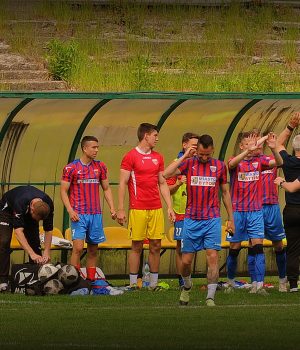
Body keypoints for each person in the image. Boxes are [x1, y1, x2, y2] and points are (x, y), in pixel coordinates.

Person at [163, 134, 235, 306]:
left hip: (212, 219)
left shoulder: (219, 166)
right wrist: (185, 156)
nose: (204, 157)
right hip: (192, 219)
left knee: (212, 257)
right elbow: (165, 174)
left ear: (213, 150)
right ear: (197, 150)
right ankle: (187, 285)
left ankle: (210, 297)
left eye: (207, 155)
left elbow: (225, 193)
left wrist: (231, 218)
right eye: (201, 154)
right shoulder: (189, 162)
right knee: (186, 261)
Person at [117, 123, 175, 291]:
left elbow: (162, 182)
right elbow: (122, 183)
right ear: (146, 136)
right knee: (136, 245)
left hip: (155, 207)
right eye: (155, 135)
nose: (157, 138)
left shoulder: (158, 157)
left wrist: (169, 206)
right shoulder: (130, 156)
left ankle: (153, 284)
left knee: (156, 245)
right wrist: (121, 208)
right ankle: (134, 283)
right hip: (138, 208)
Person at [226, 132, 283, 295]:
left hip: (255, 212)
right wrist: (246, 152)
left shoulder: (260, 161)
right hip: (238, 212)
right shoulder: (234, 160)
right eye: (250, 143)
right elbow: (230, 165)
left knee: (258, 246)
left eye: (256, 143)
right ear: (242, 146)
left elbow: (278, 162)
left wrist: (273, 149)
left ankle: (258, 285)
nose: (254, 146)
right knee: (234, 248)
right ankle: (230, 282)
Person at [61, 135, 116, 282]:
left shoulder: (100, 166)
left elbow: (106, 188)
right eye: (94, 147)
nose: (96, 150)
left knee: (93, 249)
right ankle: (73, 280)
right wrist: (70, 210)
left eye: (97, 147)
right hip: (79, 214)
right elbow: (63, 191)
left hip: (95, 214)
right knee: (78, 248)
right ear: (85, 148)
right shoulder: (71, 168)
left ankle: (91, 281)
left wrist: (112, 207)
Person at [249, 131, 287, 292]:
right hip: (255, 207)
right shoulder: (247, 161)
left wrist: (274, 144)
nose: (257, 143)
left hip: (271, 207)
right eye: (254, 140)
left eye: (259, 140)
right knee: (254, 245)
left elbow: (279, 154)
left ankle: (282, 280)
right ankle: (256, 283)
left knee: (278, 245)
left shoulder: (270, 160)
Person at [0, 185, 54, 292]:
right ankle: (3, 280)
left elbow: (48, 230)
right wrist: (31, 253)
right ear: (32, 209)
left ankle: (36, 279)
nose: (38, 222)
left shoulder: (48, 203)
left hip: (27, 212)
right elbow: (18, 232)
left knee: (35, 243)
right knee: (3, 241)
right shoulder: (20, 202)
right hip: (7, 211)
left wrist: (47, 251)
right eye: (37, 219)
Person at [166, 132, 199, 288]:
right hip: (180, 213)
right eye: (193, 145)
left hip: (197, 212)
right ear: (184, 145)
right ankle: (182, 279)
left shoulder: (200, 162)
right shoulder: (176, 164)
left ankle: (189, 277)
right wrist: (179, 184)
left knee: (193, 246)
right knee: (180, 247)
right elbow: (167, 189)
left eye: (197, 146)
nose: (196, 149)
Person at [276, 112, 300, 292]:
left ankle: (292, 284)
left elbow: (278, 144)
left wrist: (290, 126)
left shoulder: (288, 161)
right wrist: (283, 183)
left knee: (292, 249)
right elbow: (293, 187)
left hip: (291, 210)